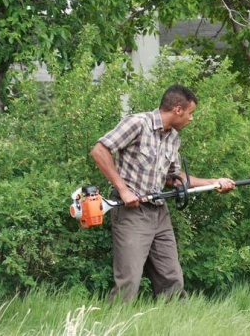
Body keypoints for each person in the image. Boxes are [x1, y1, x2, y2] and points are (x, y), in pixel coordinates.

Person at [90, 84, 235, 303]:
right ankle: (113, 326)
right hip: (131, 213)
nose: (191, 118)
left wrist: (215, 182)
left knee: (172, 279)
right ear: (178, 109)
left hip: (159, 214)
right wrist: (123, 190)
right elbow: (99, 150)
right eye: (190, 113)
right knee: (129, 281)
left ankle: (175, 324)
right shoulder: (138, 123)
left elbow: (173, 179)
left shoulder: (173, 138)